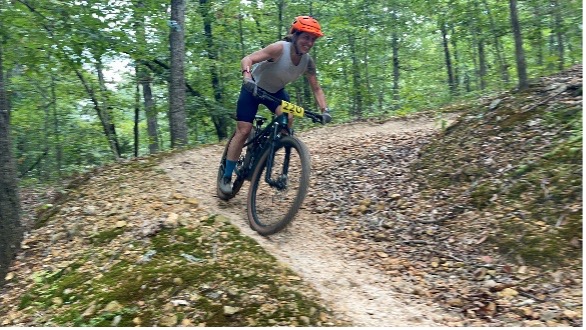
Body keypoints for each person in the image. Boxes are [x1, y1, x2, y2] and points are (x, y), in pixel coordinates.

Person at [219, 15, 331, 195]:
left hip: (276, 92)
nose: (309, 42)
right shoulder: (279, 48)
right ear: (295, 35)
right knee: (244, 130)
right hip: (253, 89)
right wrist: (247, 77)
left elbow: (316, 88)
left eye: (312, 39)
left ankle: (266, 148)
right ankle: (226, 176)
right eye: (305, 37)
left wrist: (325, 110)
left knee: (288, 118)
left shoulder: (307, 62)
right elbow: (247, 59)